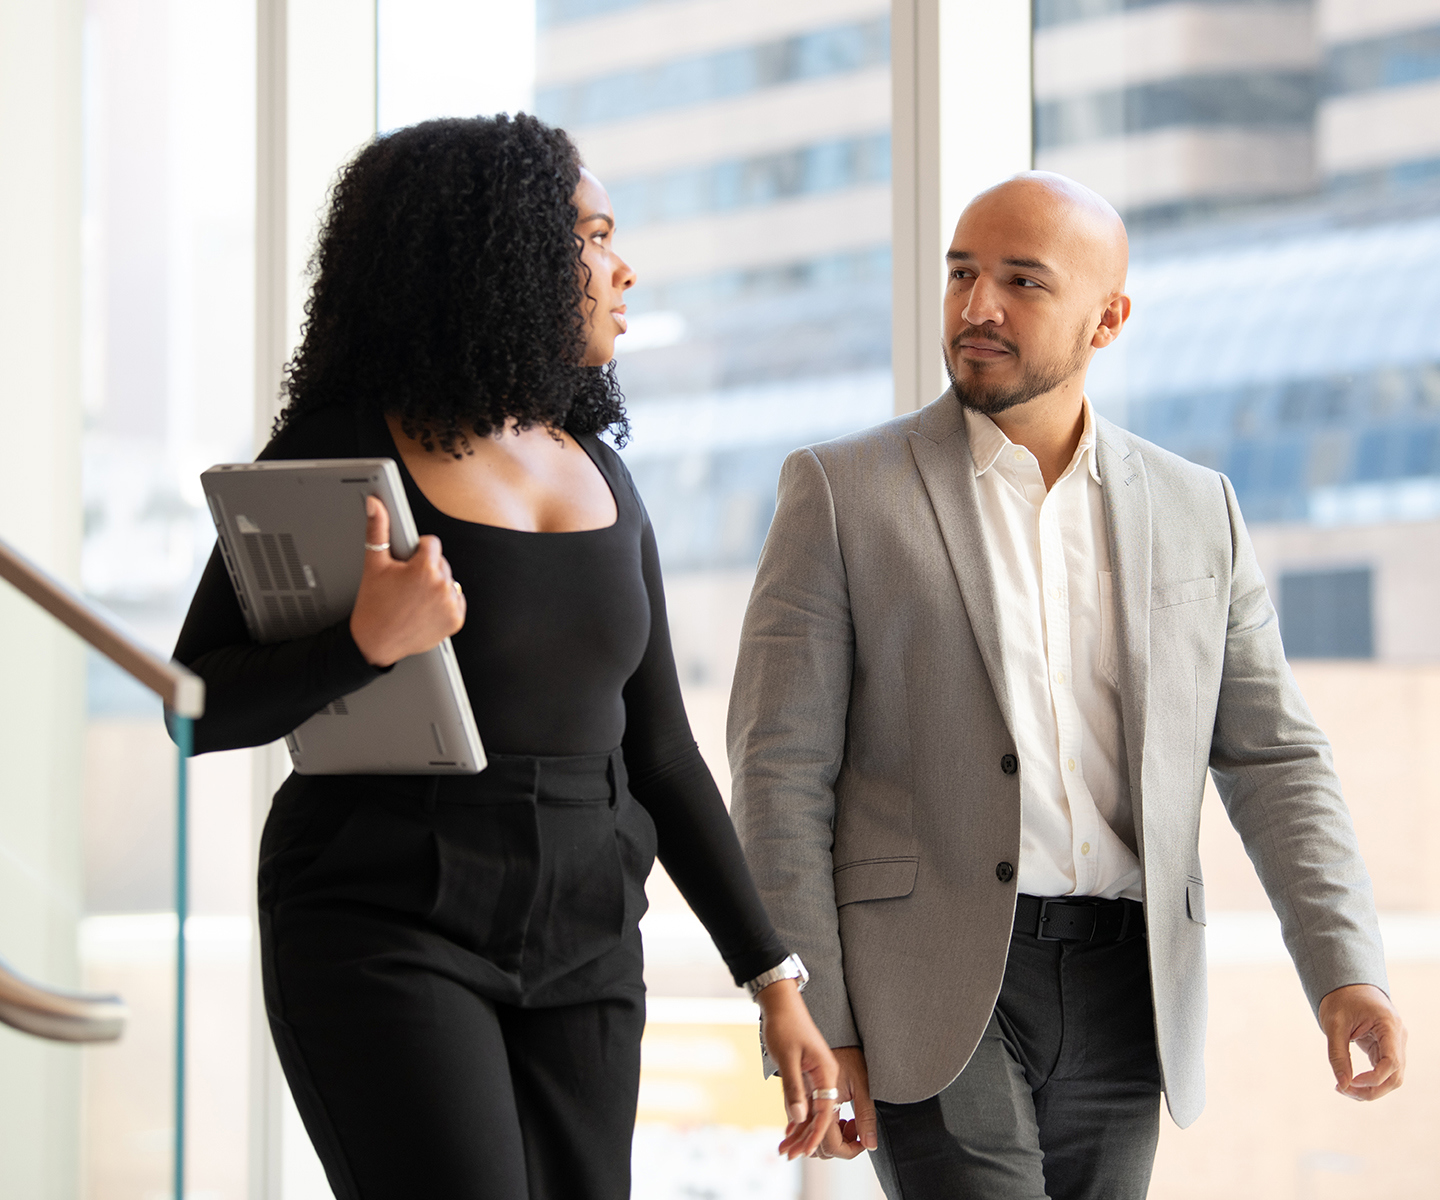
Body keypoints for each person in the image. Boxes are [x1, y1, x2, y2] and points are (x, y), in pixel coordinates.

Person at [172, 114, 837, 1200]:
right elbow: (192, 708)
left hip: (586, 932)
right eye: (595, 235)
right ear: (505, 253)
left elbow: (662, 752)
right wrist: (360, 644)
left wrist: (772, 978)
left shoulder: (605, 475)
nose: (623, 267)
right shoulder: (342, 450)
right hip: (384, 918)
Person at [726, 172, 1407, 1200]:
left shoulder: (1196, 509)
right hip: (932, 985)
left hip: (1128, 987)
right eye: (962, 275)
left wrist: (1346, 968)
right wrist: (820, 1022)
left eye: (1021, 281)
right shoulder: (840, 491)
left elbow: (1275, 756)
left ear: (1109, 319)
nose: (977, 308)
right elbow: (778, 775)